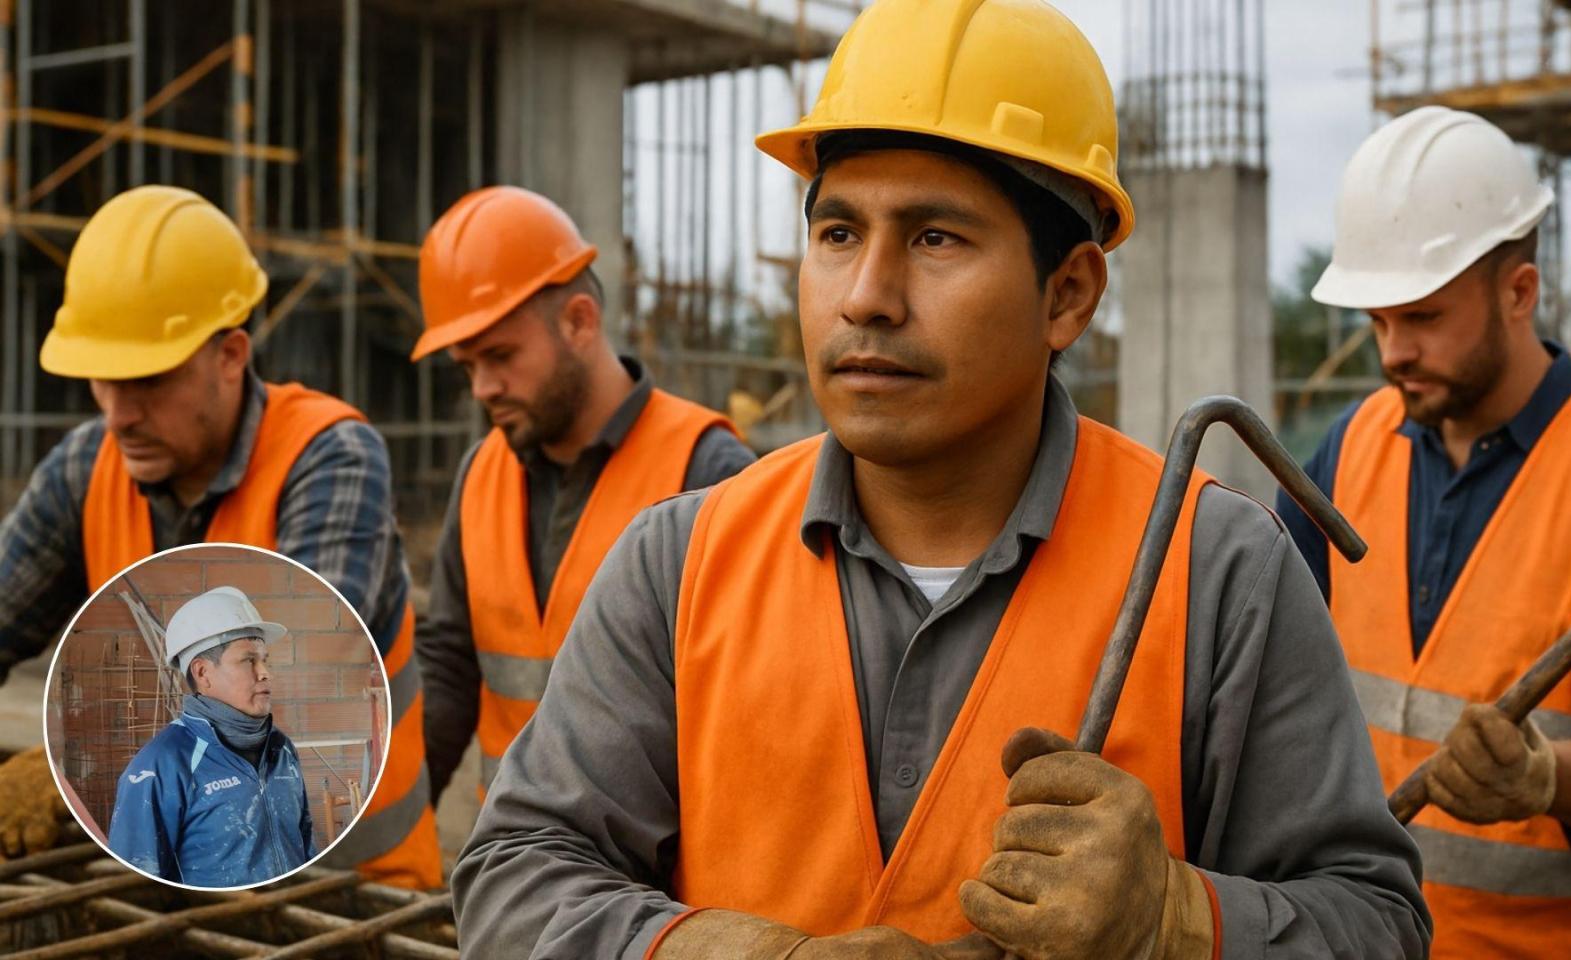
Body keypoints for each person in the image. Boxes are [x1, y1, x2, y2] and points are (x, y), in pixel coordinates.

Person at [452, 1, 1429, 957]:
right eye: (838, 234)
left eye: (935, 238)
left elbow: (1374, 922)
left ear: (1068, 293)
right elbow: (517, 872)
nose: (866, 297)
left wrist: (1175, 921)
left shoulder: (1214, 572)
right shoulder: (681, 564)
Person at [1282, 105, 1571, 959]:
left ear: (1519, 292)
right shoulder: (1352, 447)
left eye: (1423, 317)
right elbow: (1255, 662)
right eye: (1378, 322)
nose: (1393, 353)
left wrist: (1547, 779)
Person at [0, 185, 440, 888]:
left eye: (146, 380)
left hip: (350, 897)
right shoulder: (87, 468)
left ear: (231, 355)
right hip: (173, 892)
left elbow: (291, 685)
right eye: (102, 381)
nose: (118, 414)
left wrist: (61, 773)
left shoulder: (329, 458)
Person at [410, 186, 753, 802]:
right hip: (510, 852)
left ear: (579, 321)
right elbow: (449, 669)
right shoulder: (480, 473)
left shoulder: (708, 470)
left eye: (500, 356)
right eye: (467, 367)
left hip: (644, 862)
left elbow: (747, 711)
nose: (483, 388)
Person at [110, 587, 314, 887]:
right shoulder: (159, 767)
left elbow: (306, 847)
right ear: (203, 673)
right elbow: (133, 888)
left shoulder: (281, 749)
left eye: (264, 660)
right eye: (248, 661)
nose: (265, 673)